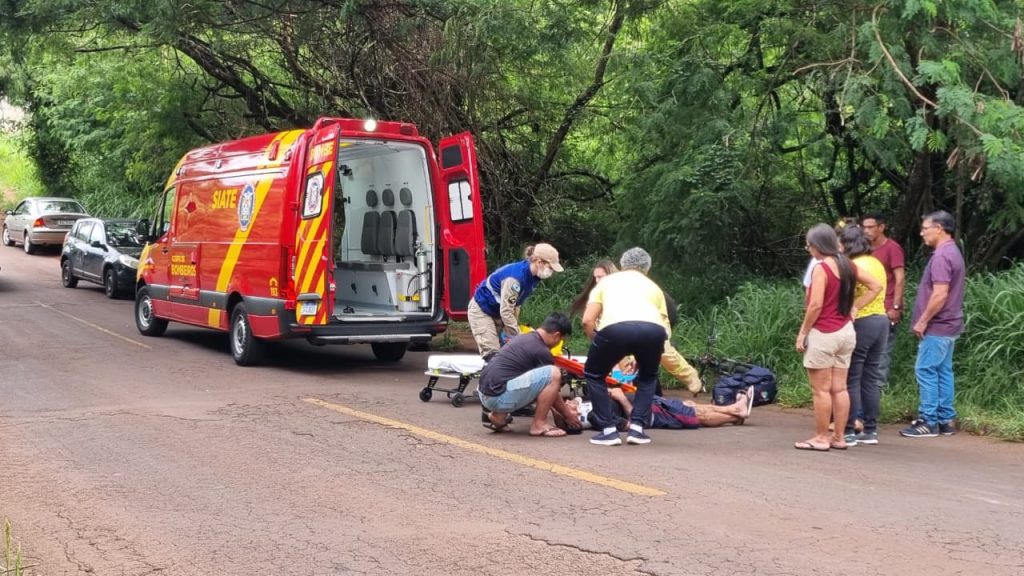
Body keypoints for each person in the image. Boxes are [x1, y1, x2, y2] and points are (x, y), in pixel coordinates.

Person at [795, 224, 881, 452]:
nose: (808, 249)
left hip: (824, 333)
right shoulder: (847, 264)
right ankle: (840, 437)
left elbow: (815, 305)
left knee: (820, 390)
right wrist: (854, 307)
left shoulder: (821, 268)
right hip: (846, 333)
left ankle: (822, 437)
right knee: (839, 389)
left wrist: (803, 332)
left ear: (818, 246)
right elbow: (876, 285)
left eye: (809, 245)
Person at [573, 260, 702, 395]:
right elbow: (591, 322)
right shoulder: (600, 291)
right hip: (621, 331)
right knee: (623, 355)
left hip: (653, 319)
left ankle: (689, 375)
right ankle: (631, 390)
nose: (597, 280)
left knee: (663, 350)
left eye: (601, 276)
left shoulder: (626, 286)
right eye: (596, 277)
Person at [581, 247, 669, 446]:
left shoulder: (607, 282)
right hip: (654, 331)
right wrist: (645, 354)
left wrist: (597, 342)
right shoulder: (654, 287)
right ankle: (637, 429)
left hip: (614, 330)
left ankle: (608, 431)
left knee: (594, 374)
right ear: (647, 268)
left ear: (622, 265)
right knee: (648, 377)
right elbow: (664, 327)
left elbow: (587, 320)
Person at [900, 210, 965, 438]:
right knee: (943, 370)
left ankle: (928, 421)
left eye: (925, 228)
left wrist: (922, 321)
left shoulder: (941, 256)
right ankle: (945, 419)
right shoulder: (953, 251)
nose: (921, 233)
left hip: (938, 325)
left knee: (926, 369)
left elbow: (939, 294)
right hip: (951, 324)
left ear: (939, 228)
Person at [478, 312, 580, 437]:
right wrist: (568, 416)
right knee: (554, 374)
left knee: (533, 379)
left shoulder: (526, 337)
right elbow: (553, 392)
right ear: (557, 335)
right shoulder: (541, 351)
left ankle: (498, 417)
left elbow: (542, 389)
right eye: (561, 340)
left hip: (485, 394)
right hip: (497, 397)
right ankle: (538, 425)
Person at [468, 243, 564, 360]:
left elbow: (515, 304)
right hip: (482, 310)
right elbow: (506, 311)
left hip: (498, 312)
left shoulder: (534, 277)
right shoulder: (515, 279)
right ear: (539, 262)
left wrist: (511, 332)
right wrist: (519, 336)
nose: (552, 272)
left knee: (508, 352)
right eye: (550, 268)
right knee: (493, 355)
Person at [838, 225, 888, 446]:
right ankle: (871, 429)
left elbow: (872, 288)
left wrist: (855, 307)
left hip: (863, 322)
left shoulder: (853, 265)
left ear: (847, 244)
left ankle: (848, 429)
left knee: (852, 378)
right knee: (871, 378)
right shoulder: (875, 261)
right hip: (882, 321)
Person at [861, 212, 906, 388]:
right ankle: (866, 389)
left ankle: (878, 389)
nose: (866, 231)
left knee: (882, 351)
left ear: (881, 227)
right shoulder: (864, 249)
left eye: (870, 227)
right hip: (867, 307)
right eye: (864, 227)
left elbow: (900, 278)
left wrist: (896, 306)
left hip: (886, 307)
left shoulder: (892, 248)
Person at [606, 386, 753, 429]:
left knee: (691, 406)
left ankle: (735, 413)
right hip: (650, 414)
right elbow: (633, 423)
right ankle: (736, 411)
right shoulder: (596, 416)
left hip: (649, 402)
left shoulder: (587, 401)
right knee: (695, 415)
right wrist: (622, 399)